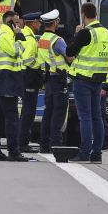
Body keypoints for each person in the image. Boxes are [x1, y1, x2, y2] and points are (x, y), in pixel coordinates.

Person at [66, 3, 108, 163]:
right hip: (98, 79)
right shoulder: (105, 32)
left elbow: (69, 51)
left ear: (83, 14)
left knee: (84, 117)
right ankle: (96, 154)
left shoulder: (85, 33)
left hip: (83, 79)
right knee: (96, 116)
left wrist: (76, 33)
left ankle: (84, 153)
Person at [0, 10, 29, 162]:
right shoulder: (5, 36)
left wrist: (18, 37)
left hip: (5, 79)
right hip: (5, 79)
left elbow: (22, 52)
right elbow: (15, 52)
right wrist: (19, 36)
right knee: (12, 118)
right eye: (16, 22)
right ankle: (13, 151)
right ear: (9, 22)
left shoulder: (8, 35)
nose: (19, 25)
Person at [37, 10, 68, 153]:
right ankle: (56, 144)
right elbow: (70, 57)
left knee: (48, 112)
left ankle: (44, 145)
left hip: (48, 79)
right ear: (55, 22)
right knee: (59, 112)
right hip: (59, 80)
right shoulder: (58, 40)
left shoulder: (42, 39)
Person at [17, 12, 44, 153]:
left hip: (24, 76)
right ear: (33, 23)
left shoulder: (24, 36)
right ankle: (22, 143)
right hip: (29, 76)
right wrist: (39, 66)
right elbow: (27, 60)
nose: (40, 25)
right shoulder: (30, 39)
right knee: (28, 112)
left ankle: (21, 142)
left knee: (26, 111)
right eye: (38, 22)